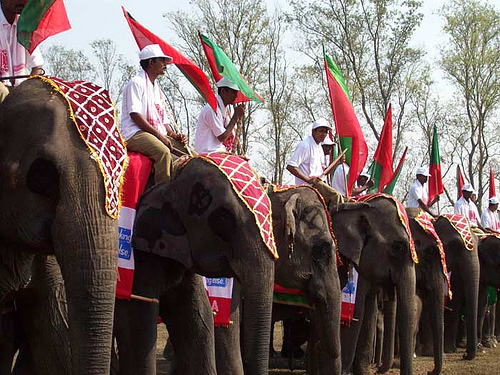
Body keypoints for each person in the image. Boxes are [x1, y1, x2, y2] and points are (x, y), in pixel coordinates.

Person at [120, 44, 187, 184]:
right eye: (162, 60)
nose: (165, 64)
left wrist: (174, 135)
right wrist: (160, 136)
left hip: (155, 133)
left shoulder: (157, 89)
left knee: (190, 154)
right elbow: (135, 115)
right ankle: (163, 195)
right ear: (151, 62)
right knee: (163, 152)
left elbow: (163, 121)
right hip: (135, 133)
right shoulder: (136, 83)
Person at [0, 0, 44, 100]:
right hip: (3, 90)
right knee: (2, 92)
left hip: (18, 89)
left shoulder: (24, 25)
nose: (22, 2)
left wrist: (29, 87)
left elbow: (37, 66)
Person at [194, 77, 245, 154]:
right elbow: (222, 137)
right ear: (223, 91)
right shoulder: (212, 109)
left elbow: (228, 135)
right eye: (233, 92)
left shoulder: (224, 110)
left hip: (220, 151)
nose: (236, 96)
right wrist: (235, 117)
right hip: (208, 152)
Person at [286, 118, 331, 185]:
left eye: (325, 132)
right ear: (313, 132)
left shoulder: (319, 147)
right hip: (306, 188)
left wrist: (337, 163)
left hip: (319, 186)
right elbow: (291, 166)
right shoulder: (305, 145)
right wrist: (308, 180)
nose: (324, 134)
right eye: (321, 131)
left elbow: (324, 172)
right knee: (335, 195)